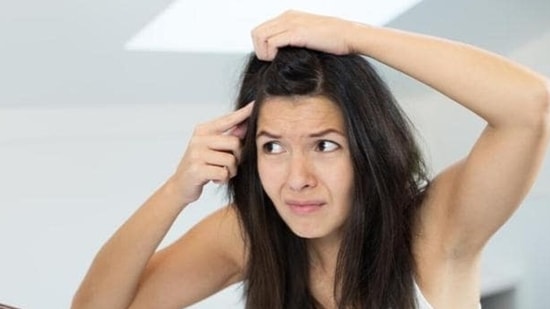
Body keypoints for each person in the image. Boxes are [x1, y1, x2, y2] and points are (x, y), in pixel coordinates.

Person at [71, 10, 550, 309]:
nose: (297, 180)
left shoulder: (437, 229)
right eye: (273, 147)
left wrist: (353, 36)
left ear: (367, 148)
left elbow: (529, 105)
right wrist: (177, 190)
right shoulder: (247, 236)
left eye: (325, 145)